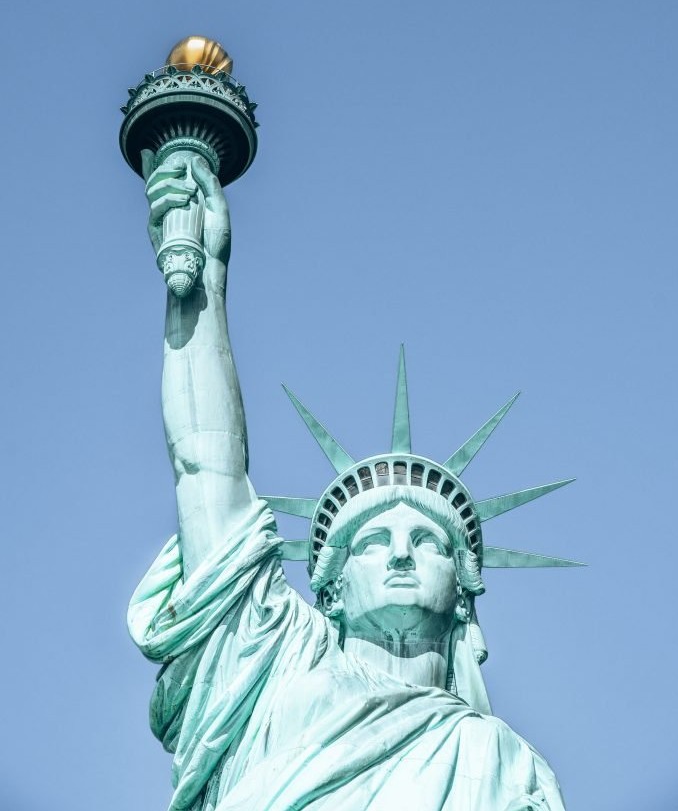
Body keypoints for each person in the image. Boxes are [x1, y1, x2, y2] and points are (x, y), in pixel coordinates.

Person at [128, 153, 566, 811]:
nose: (397, 552)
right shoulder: (272, 672)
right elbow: (203, 464)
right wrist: (207, 284)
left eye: (426, 539)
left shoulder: (505, 763)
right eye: (370, 540)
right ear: (328, 588)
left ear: (464, 593)